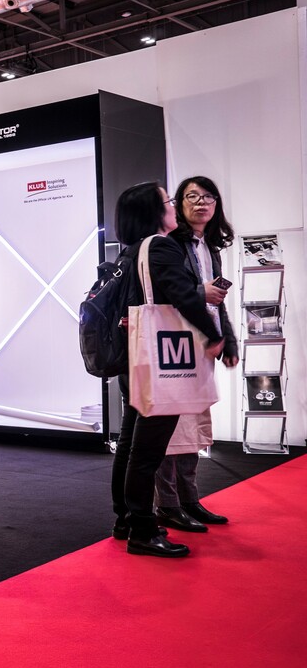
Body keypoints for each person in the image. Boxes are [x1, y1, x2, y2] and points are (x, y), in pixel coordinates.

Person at [107, 182, 227, 558]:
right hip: (161, 363)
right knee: (147, 451)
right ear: (154, 211)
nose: (174, 207)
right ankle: (143, 530)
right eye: (169, 201)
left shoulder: (131, 251)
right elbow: (183, 296)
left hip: (136, 357)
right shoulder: (159, 246)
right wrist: (213, 335)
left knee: (130, 445)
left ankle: (127, 521)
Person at [153, 176, 238, 531]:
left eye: (207, 197)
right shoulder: (170, 243)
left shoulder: (210, 248)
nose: (201, 203)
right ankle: (167, 504)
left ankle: (189, 499)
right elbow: (174, 293)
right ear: (178, 203)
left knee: (195, 424)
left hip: (202, 344)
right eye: (192, 196)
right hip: (176, 344)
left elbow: (217, 301)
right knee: (171, 429)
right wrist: (203, 300)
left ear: (216, 204)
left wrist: (227, 340)